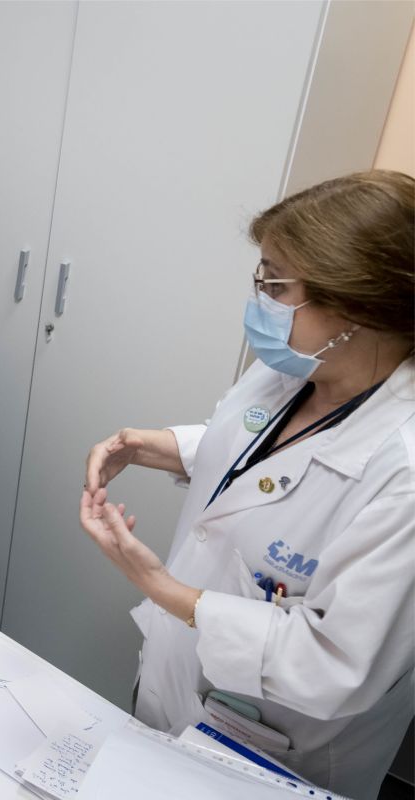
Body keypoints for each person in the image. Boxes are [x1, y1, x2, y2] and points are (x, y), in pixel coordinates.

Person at [80, 170, 414, 799]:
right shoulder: (294, 372)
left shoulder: (404, 472)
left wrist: (159, 585)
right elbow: (254, 454)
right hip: (180, 679)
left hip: (284, 748)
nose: (259, 296)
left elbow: (332, 664)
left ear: (357, 305)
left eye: (276, 282)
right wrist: (155, 445)